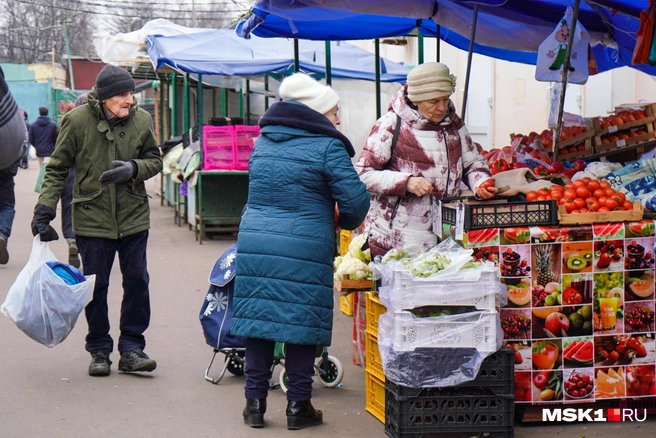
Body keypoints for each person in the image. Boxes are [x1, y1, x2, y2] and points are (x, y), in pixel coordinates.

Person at [231, 73, 370, 430]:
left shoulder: (263, 142)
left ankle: (255, 405)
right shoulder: (327, 146)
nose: (338, 119)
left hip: (256, 240)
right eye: (334, 111)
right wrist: (341, 220)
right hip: (305, 242)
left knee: (260, 321)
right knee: (301, 322)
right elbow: (354, 202)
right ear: (318, 112)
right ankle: (298, 407)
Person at [31, 64, 163, 376]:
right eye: (122, 95)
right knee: (96, 286)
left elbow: (154, 160)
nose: (129, 100)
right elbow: (58, 167)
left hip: (133, 216)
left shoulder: (142, 120)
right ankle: (100, 350)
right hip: (92, 218)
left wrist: (133, 168)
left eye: (131, 93)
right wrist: (44, 209)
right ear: (104, 97)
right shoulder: (76, 121)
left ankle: (132, 348)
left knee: (137, 281)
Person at [355, 62, 497, 258]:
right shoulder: (390, 125)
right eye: (433, 101)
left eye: (445, 100)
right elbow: (363, 174)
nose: (441, 108)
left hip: (446, 236)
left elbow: (472, 163)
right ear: (417, 99)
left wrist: (480, 182)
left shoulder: (455, 126)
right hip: (397, 241)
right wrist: (406, 182)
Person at [0, 66, 28, 265]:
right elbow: (23, 143)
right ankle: (1, 235)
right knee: (7, 204)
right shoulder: (15, 116)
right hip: (6, 166)